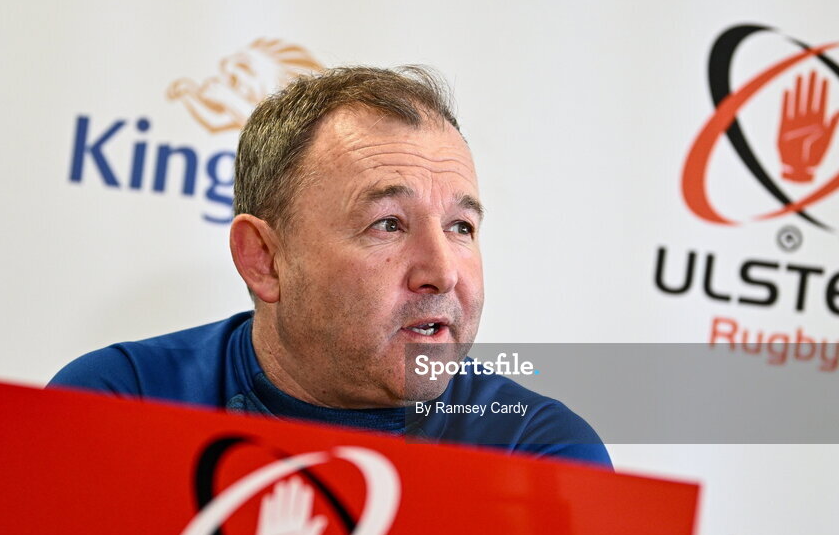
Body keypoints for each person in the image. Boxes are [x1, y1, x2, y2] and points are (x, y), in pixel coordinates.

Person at [50, 66, 610, 467]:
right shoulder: (116, 404)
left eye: (460, 227)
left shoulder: (539, 451)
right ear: (264, 260)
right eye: (388, 223)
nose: (442, 272)